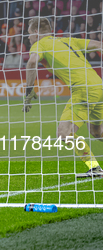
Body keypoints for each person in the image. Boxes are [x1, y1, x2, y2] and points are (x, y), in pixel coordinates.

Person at [24, 17, 103, 177]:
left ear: (36, 32)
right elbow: (99, 45)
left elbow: (32, 62)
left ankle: (94, 168)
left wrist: (29, 90)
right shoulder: (68, 41)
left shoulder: (39, 44)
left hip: (83, 89)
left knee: (64, 133)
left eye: (29, 34)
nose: (28, 37)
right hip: (98, 85)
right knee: (97, 132)